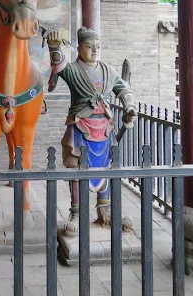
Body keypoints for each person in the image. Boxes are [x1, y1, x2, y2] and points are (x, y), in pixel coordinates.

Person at [46, 27, 136, 236]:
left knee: (106, 166)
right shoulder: (73, 70)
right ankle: (76, 213)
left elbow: (124, 89)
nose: (94, 51)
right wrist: (54, 45)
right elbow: (58, 64)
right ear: (79, 49)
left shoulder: (108, 71)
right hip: (80, 126)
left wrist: (129, 106)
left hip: (104, 127)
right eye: (89, 47)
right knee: (76, 169)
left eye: (98, 47)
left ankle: (104, 209)